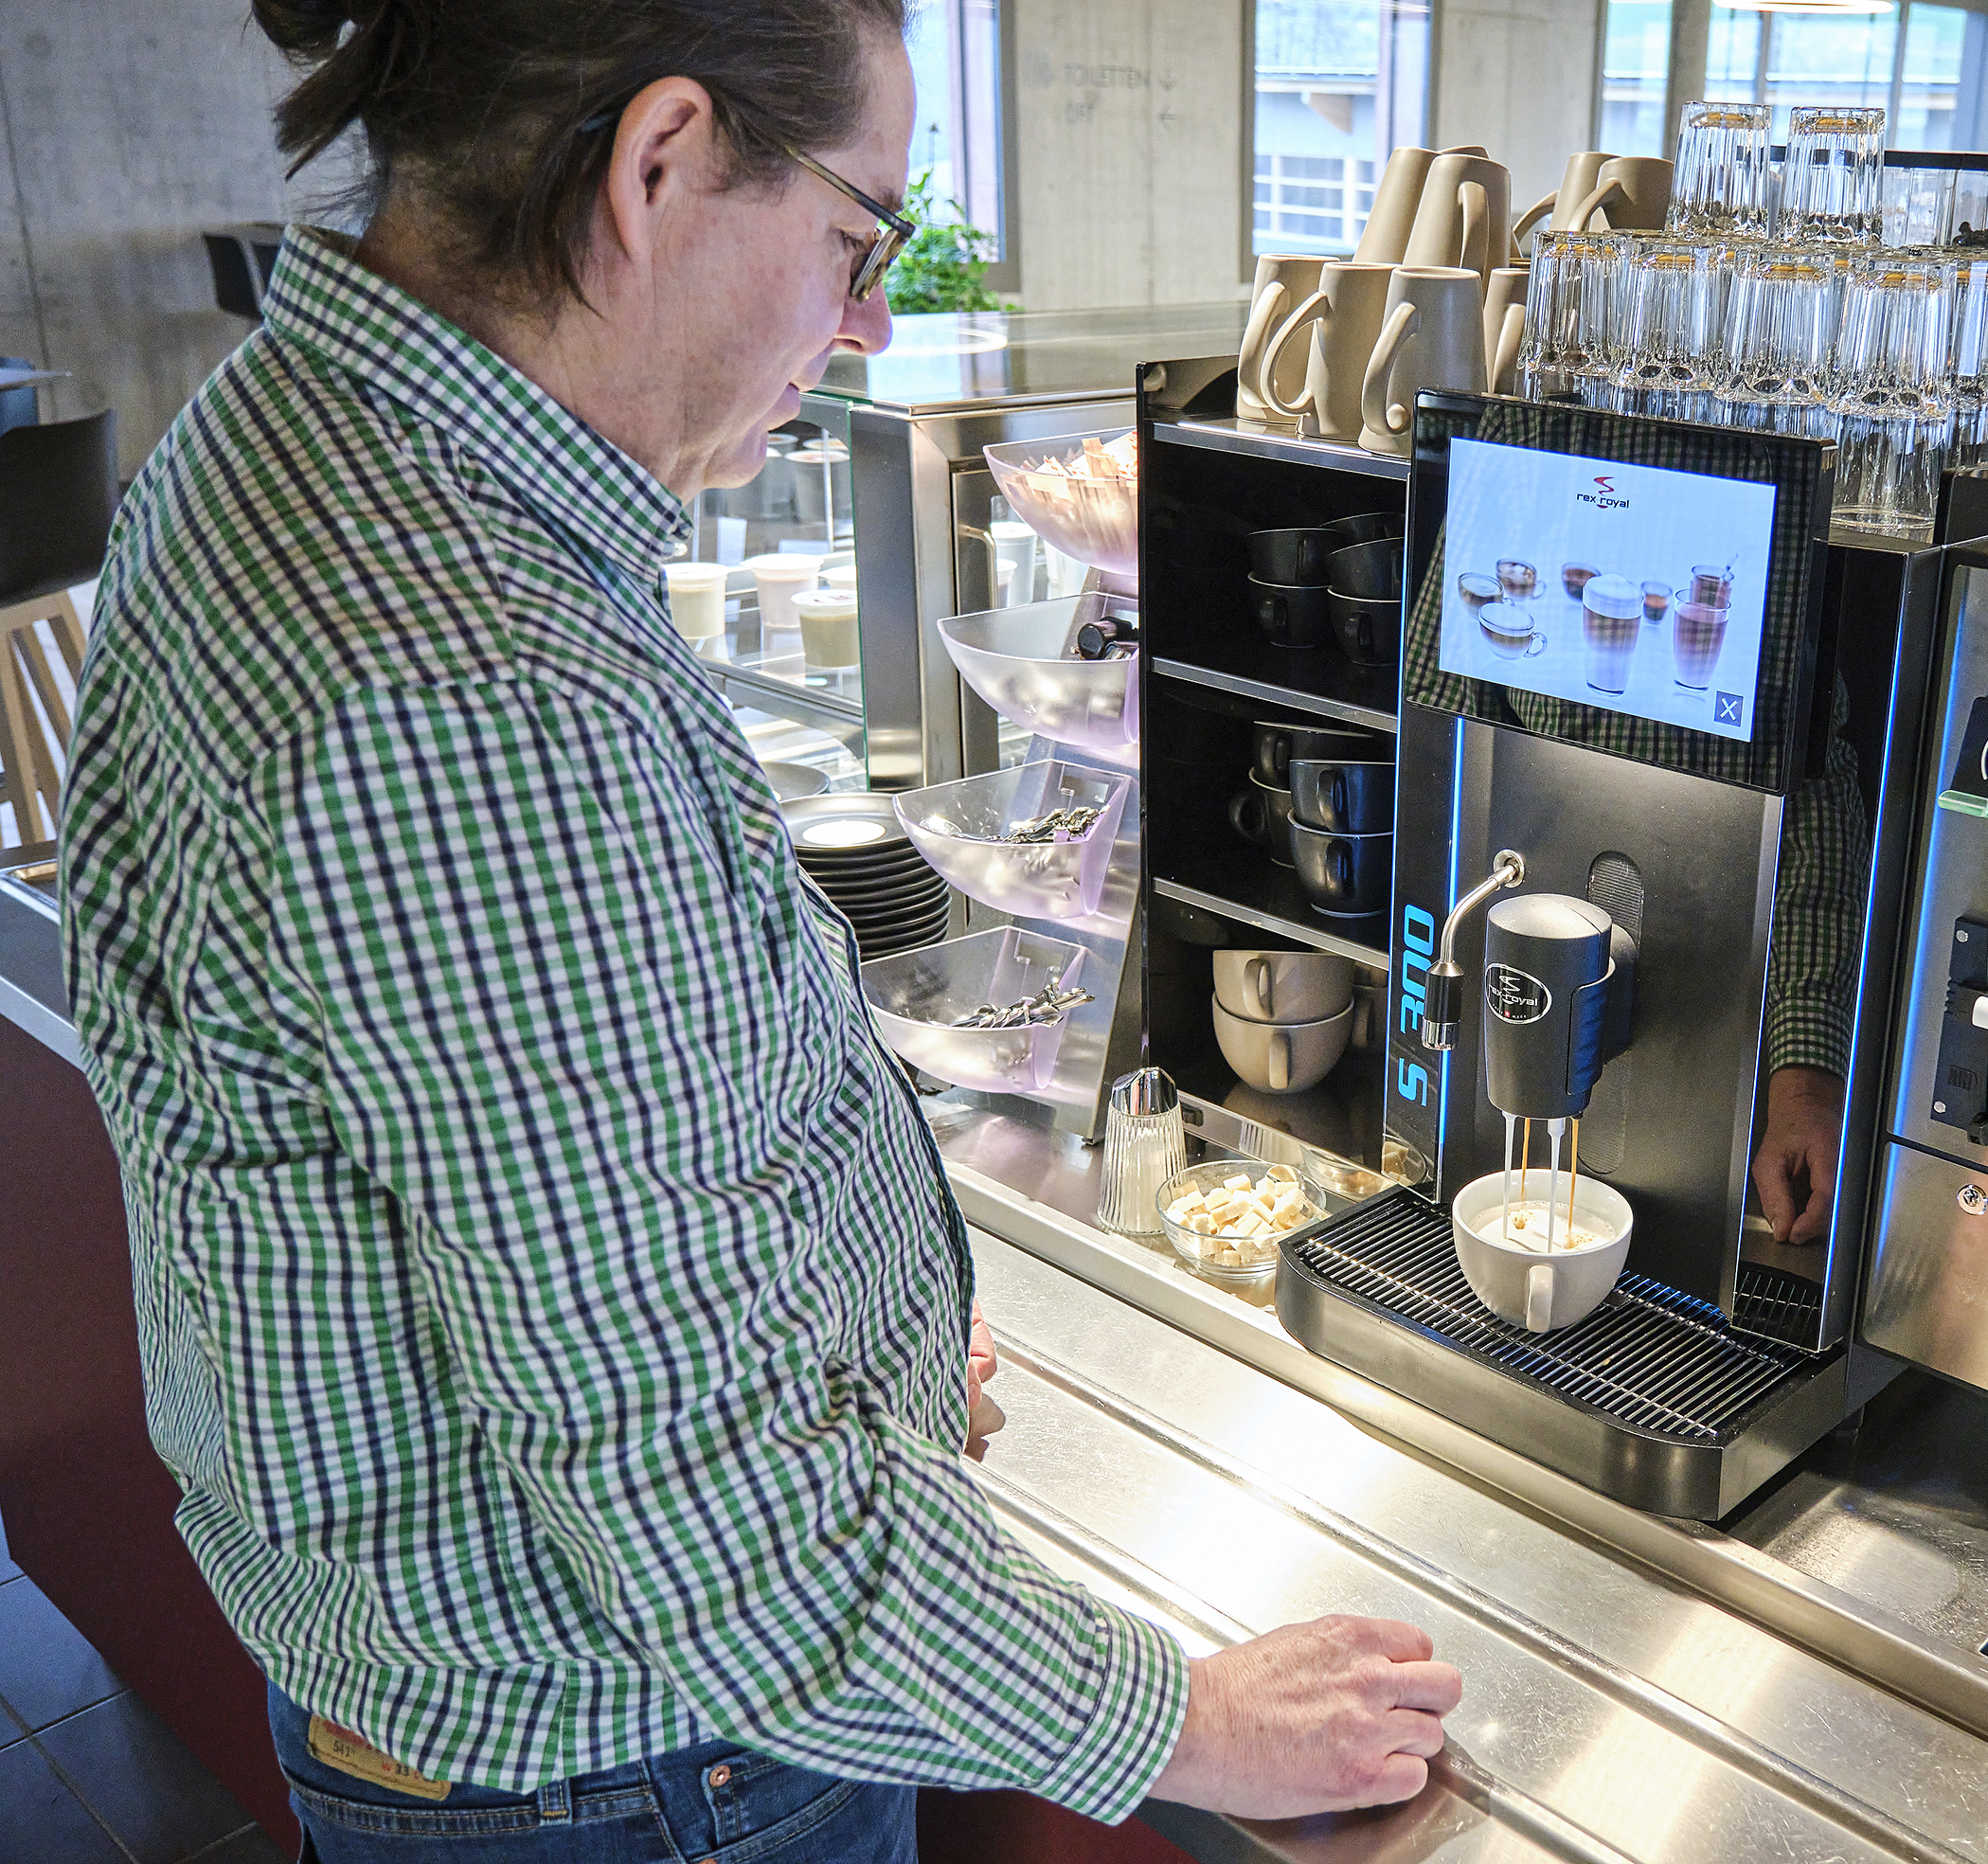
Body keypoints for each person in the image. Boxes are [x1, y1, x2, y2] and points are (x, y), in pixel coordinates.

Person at [56, 3, 1458, 1857]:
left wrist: (860, 1337)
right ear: (658, 167)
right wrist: (1187, 1721)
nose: (867, 319)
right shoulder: (462, 682)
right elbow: (714, 1532)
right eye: (858, 239)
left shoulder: (310, 439)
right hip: (637, 1779)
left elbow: (542, 1191)